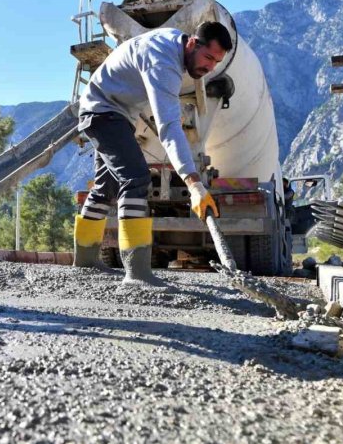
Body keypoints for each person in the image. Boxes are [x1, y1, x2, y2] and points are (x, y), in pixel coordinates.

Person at [72, 22, 233, 286]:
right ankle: (137, 272)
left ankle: (86, 260)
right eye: (208, 58)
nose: (209, 68)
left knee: (106, 185)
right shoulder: (164, 61)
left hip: (111, 112)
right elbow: (168, 128)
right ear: (193, 43)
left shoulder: (172, 43)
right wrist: (194, 184)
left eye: (216, 62)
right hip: (102, 112)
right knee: (136, 178)